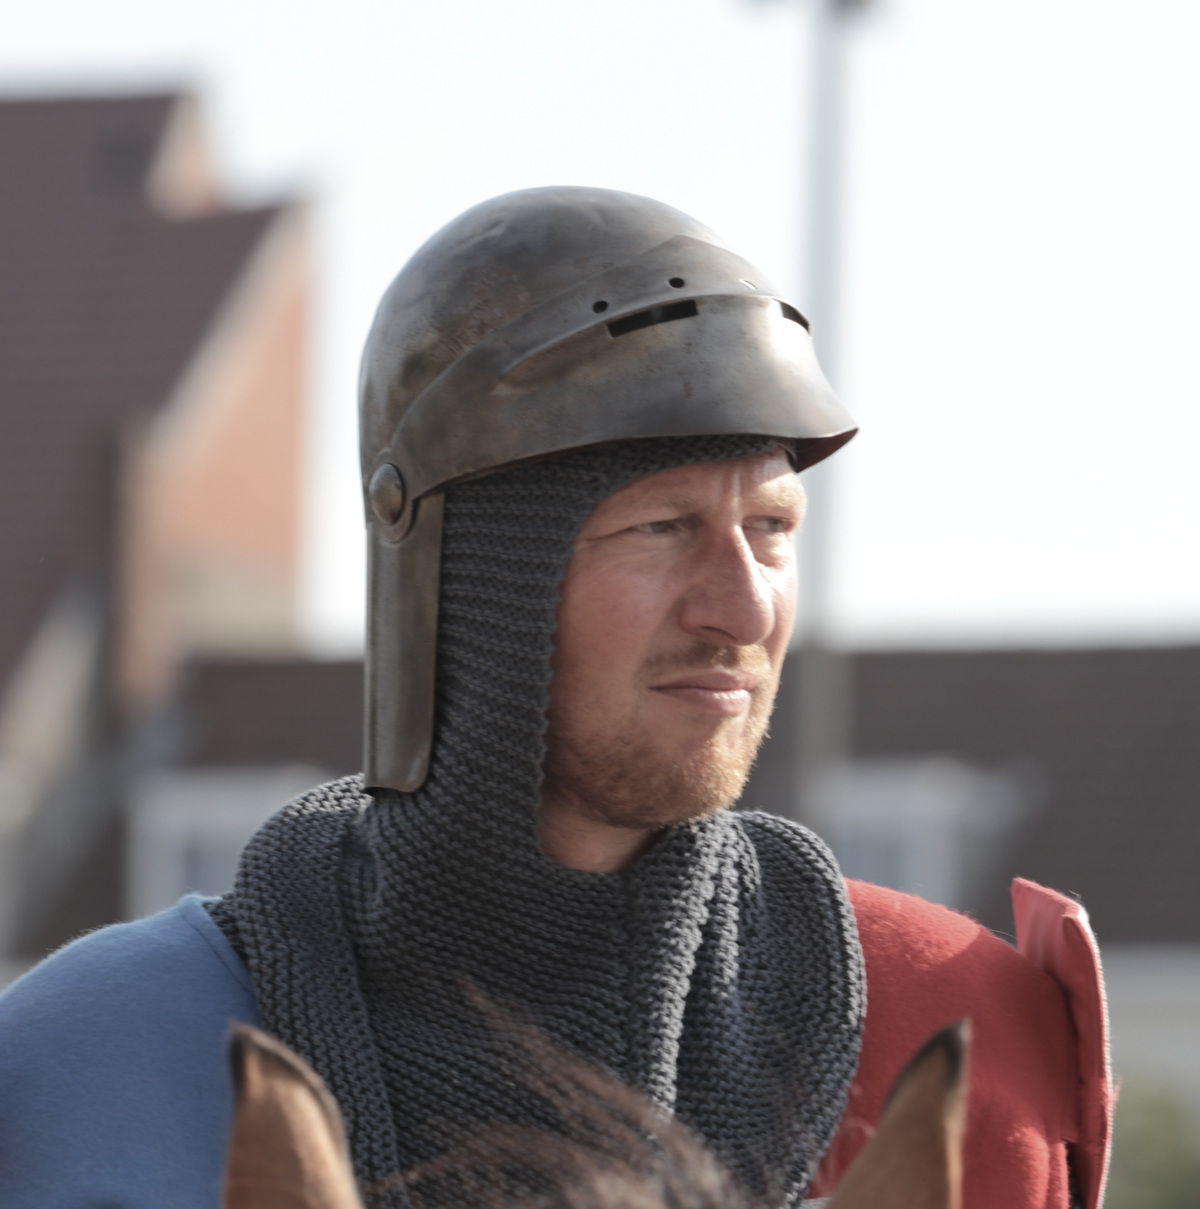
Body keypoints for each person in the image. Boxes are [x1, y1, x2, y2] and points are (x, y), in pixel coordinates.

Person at [0, 188, 1109, 1209]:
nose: (743, 606)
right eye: (662, 526)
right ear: (475, 576)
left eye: (772, 527)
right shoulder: (96, 1066)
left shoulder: (959, 1034)